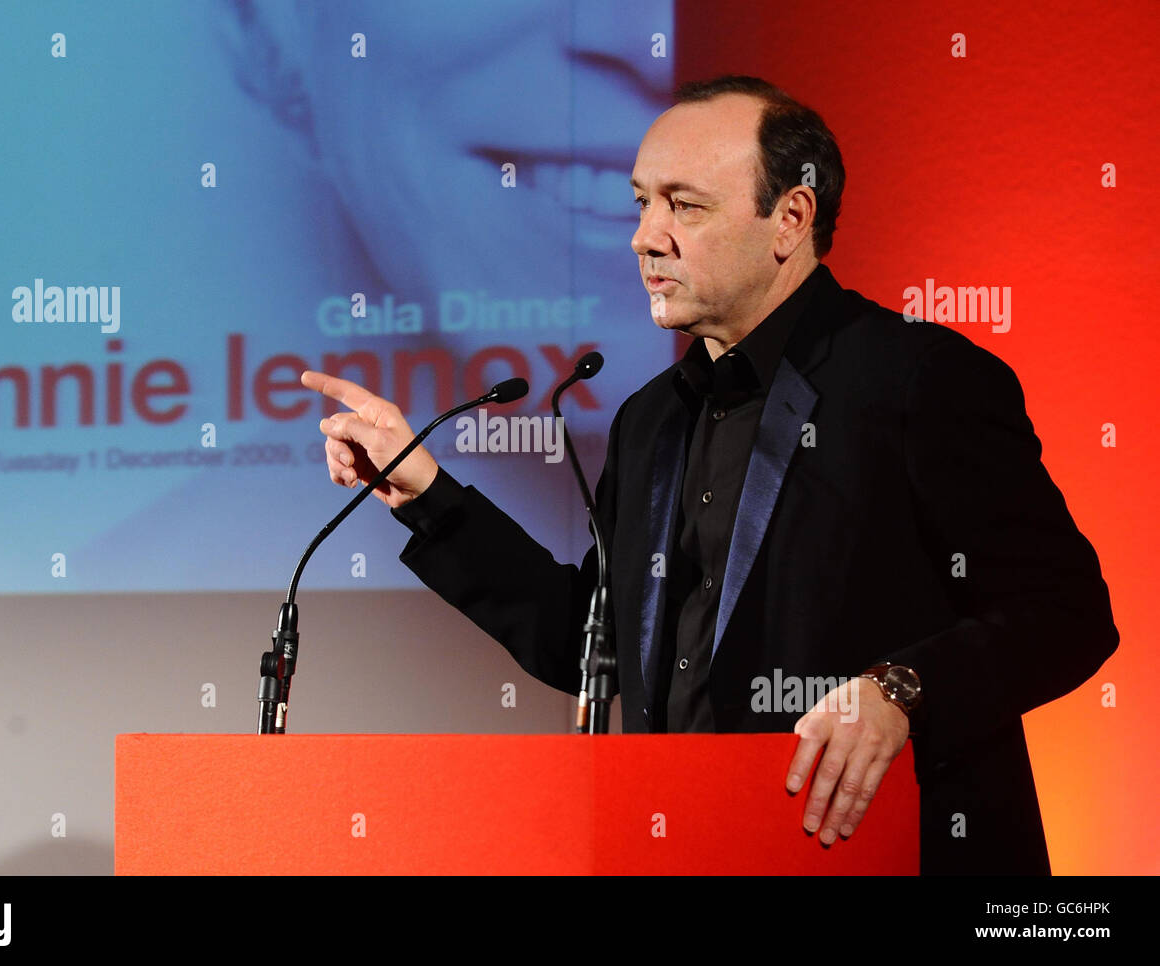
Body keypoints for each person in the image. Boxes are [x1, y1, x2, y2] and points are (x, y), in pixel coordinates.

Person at [301, 75, 1118, 875]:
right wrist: (427, 493)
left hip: (890, 854)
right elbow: (589, 639)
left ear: (789, 219)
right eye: (641, 202)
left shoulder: (918, 380)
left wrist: (900, 691)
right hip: (690, 852)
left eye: (684, 206)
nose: (644, 236)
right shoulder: (651, 419)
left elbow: (1066, 613)